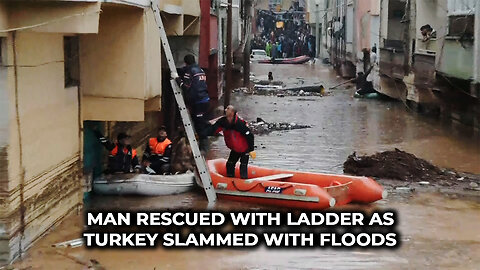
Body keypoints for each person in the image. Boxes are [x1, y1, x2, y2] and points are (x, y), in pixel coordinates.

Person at [175, 54, 211, 153]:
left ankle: (204, 149)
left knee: (198, 124)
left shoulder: (189, 72)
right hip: (205, 100)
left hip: (197, 101)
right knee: (201, 123)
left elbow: (186, 87)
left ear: (186, 62)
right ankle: (203, 145)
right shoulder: (200, 70)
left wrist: (177, 79)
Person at [209, 105, 256, 179]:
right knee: (230, 164)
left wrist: (251, 149)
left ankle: (244, 183)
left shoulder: (239, 124)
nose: (225, 110)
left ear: (232, 112)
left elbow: (249, 135)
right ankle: (230, 179)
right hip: (235, 149)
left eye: (228, 109)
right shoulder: (223, 121)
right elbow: (213, 130)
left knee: (243, 167)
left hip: (244, 149)